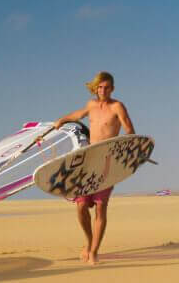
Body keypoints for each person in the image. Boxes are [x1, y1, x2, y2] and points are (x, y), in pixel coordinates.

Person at [53, 71, 135, 266]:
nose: (103, 91)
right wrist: (63, 119)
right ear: (96, 88)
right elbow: (78, 115)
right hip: (88, 161)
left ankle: (94, 252)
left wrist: (123, 150)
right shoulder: (91, 105)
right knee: (81, 206)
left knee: (100, 206)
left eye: (106, 87)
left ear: (112, 89)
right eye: (100, 87)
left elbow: (130, 131)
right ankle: (89, 243)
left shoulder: (117, 107)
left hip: (107, 162)